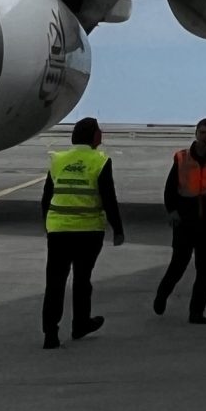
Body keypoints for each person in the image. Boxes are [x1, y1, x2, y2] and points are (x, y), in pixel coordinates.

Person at [41, 116, 125, 349]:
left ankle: (50, 333)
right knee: (82, 280)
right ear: (95, 136)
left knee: (55, 283)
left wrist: (48, 225)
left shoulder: (58, 159)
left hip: (58, 230)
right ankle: (80, 324)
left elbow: (46, 197)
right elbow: (109, 198)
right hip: (88, 230)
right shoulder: (99, 161)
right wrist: (118, 229)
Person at [154, 117, 206, 324]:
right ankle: (162, 294)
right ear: (196, 133)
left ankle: (196, 312)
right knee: (179, 265)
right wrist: (172, 211)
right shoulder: (182, 158)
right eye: (202, 133)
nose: (205, 137)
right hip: (185, 220)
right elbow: (170, 189)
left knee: (205, 271)